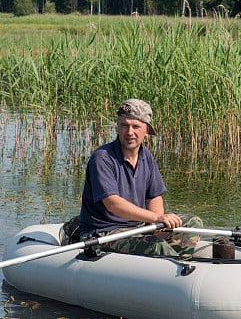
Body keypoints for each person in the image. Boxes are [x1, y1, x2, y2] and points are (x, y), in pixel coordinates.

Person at [78, 98, 202, 256]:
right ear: (118, 126)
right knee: (155, 246)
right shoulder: (102, 158)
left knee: (193, 222)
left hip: (138, 227)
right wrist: (156, 217)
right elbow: (113, 204)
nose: (129, 132)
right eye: (124, 125)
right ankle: (176, 267)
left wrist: (156, 224)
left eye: (136, 126)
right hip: (105, 233)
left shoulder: (146, 156)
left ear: (147, 130)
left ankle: (181, 265)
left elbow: (154, 197)